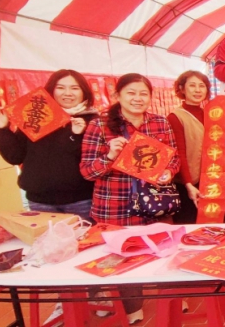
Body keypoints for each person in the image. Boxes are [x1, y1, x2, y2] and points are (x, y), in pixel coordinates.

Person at [80, 73, 180, 324]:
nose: (138, 98)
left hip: (153, 205)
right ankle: (132, 310)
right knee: (123, 257)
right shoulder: (100, 125)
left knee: (157, 252)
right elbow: (87, 171)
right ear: (117, 95)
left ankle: (163, 300)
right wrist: (109, 157)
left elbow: (173, 159)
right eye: (131, 93)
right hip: (115, 206)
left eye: (143, 93)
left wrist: (169, 172)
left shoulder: (159, 123)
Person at [0, 70, 97, 223]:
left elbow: (94, 161)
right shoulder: (36, 116)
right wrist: (3, 129)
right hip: (40, 201)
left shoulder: (93, 121)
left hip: (82, 200)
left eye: (75, 88)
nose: (67, 93)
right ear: (51, 90)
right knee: (46, 238)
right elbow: (15, 157)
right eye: (60, 87)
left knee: (85, 237)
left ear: (84, 91)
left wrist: (77, 135)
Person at [167, 70, 210, 224]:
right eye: (192, 85)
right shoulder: (176, 117)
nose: (198, 90)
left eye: (202, 86)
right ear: (182, 89)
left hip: (210, 179)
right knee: (189, 224)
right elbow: (179, 153)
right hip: (188, 183)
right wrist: (188, 184)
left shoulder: (210, 114)